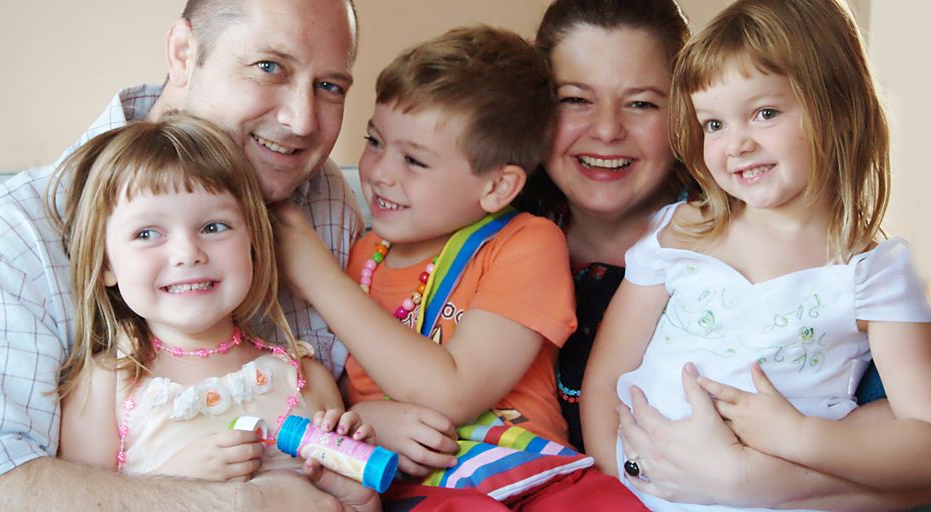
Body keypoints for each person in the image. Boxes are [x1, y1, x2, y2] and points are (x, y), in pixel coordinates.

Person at [0, 0, 374, 510]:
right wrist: (242, 502)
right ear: (182, 52)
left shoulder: (321, 197)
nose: (301, 120)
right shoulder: (1, 239)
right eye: (268, 67)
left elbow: (355, 405)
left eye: (330, 86)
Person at [274, 25, 645, 510]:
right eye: (374, 141)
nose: (380, 171)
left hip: (531, 480)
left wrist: (318, 277)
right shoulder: (364, 253)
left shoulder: (527, 243)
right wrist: (368, 418)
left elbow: (453, 393)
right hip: (418, 490)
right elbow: (342, 386)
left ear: (497, 187)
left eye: (414, 160)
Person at [582, 0, 931, 510]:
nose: (735, 144)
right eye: (714, 125)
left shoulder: (870, 272)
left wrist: (799, 436)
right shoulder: (679, 234)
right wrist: (616, 478)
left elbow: (923, 439)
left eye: (765, 113)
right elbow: (605, 380)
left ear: (836, 106)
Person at [53, 114, 372, 481]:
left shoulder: (304, 380)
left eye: (213, 227)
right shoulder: (105, 386)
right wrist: (172, 485)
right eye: (146, 233)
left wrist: (350, 483)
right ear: (106, 263)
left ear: (253, 243)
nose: (187, 253)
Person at [513, 0, 694, 453]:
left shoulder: (756, 243)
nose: (608, 130)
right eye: (575, 99)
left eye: (641, 103)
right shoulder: (484, 226)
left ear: (685, 114)